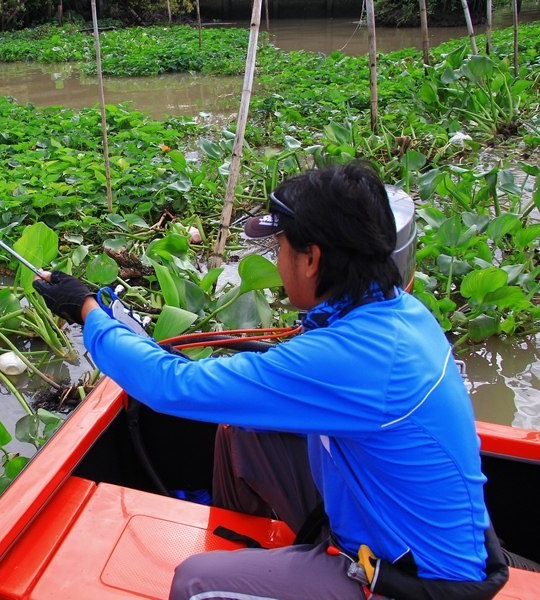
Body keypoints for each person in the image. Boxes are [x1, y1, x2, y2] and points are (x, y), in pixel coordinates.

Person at [33, 163, 508, 599]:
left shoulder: (354, 358)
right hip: (383, 521)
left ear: (312, 259)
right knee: (245, 432)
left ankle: (245, 577)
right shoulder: (396, 313)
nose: (277, 263)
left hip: (411, 580)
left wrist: (88, 311)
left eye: (279, 249)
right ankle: (246, 542)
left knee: (195, 583)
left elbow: (171, 386)